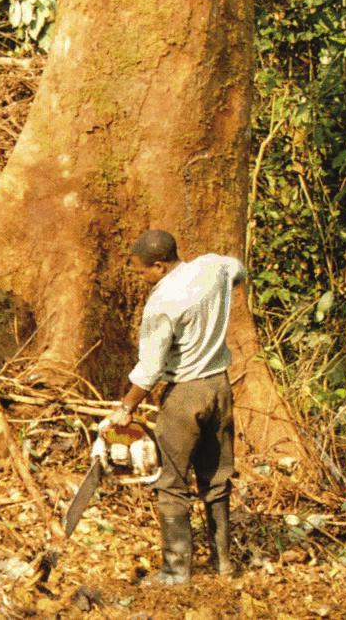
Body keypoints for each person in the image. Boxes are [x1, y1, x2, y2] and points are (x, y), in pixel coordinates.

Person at [112, 229, 246, 586]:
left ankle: (175, 571)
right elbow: (239, 270)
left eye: (142, 272)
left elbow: (150, 369)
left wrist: (125, 408)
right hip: (219, 387)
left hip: (185, 395)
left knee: (171, 482)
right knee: (216, 478)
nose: (141, 279)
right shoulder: (212, 267)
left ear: (159, 265)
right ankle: (223, 564)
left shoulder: (162, 304)